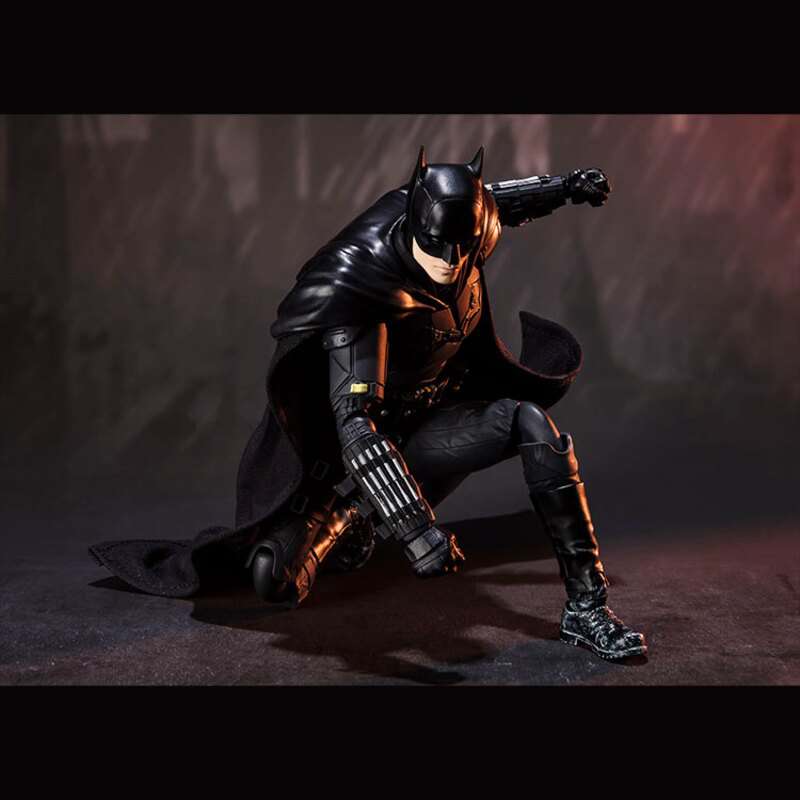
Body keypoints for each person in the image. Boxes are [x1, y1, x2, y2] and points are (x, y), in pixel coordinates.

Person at [90, 146, 647, 662]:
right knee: (272, 578)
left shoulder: (466, 228)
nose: (452, 260)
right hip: (347, 462)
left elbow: (491, 199)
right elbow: (355, 424)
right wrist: (416, 531)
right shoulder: (362, 281)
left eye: (465, 246)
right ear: (415, 227)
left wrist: (566, 187)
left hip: (430, 426)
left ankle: (586, 608)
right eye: (439, 245)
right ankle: (348, 518)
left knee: (530, 420)